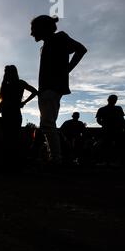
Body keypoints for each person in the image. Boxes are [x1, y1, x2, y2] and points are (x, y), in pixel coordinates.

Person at [30, 15, 87, 164]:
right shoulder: (46, 45)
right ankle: (56, 156)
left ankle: (56, 158)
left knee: (47, 124)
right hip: (46, 89)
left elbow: (81, 49)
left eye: (33, 29)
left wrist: (67, 70)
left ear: (43, 28)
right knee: (47, 124)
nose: (31, 33)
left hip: (52, 88)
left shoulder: (59, 38)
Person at [0, 65, 38, 164]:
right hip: (8, 113)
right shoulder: (10, 84)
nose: (6, 74)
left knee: (11, 137)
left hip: (12, 113)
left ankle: (13, 161)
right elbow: (34, 92)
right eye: (6, 72)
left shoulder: (16, 83)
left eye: (8, 72)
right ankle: (12, 161)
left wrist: (24, 103)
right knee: (10, 137)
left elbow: (35, 92)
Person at [95, 95, 125, 164]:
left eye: (115, 99)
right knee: (108, 145)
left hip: (115, 130)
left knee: (114, 146)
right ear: (108, 100)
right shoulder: (104, 109)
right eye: (113, 99)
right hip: (110, 130)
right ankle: (109, 160)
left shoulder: (117, 108)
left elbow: (122, 120)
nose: (114, 101)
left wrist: (103, 125)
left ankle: (111, 160)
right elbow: (98, 120)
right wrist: (104, 125)